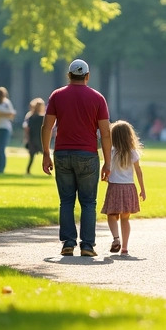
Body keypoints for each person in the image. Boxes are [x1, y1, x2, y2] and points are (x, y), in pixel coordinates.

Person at [41, 59, 111, 256]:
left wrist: (46, 153)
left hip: (62, 153)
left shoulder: (57, 96)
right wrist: (107, 161)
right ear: (87, 76)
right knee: (88, 202)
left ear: (69, 75)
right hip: (88, 154)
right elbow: (105, 133)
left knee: (67, 201)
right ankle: (87, 245)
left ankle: (68, 243)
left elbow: (47, 126)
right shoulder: (98, 98)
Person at [101, 120, 146, 256]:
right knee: (125, 219)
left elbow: (107, 168)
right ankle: (125, 247)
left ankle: (116, 238)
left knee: (111, 215)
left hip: (114, 187)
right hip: (129, 188)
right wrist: (142, 189)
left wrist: (104, 177)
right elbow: (138, 171)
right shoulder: (133, 152)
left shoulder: (111, 152)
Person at [23, 98, 45, 174]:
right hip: (40, 139)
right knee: (46, 155)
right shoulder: (43, 117)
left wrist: (27, 138)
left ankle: (28, 171)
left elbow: (26, 128)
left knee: (31, 156)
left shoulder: (30, 116)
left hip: (32, 138)